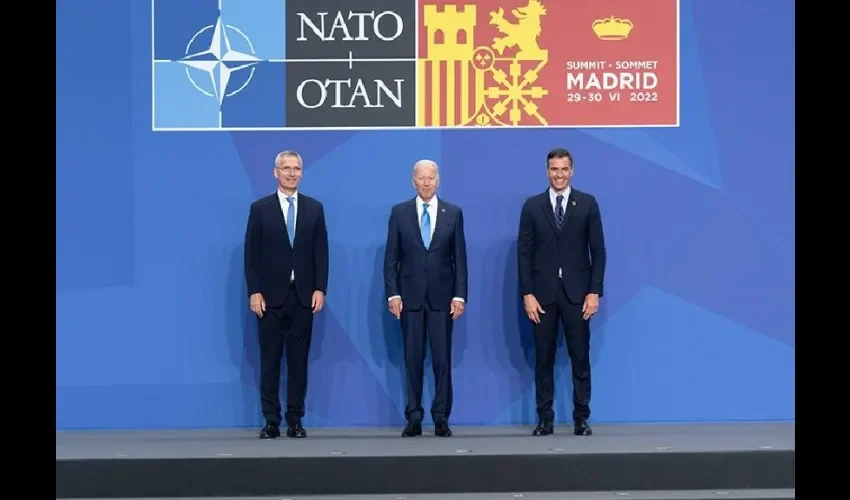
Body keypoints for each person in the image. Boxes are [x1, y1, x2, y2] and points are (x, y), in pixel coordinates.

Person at [517, 147, 606, 437]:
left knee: (580, 358)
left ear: (572, 171)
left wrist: (594, 292)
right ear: (547, 171)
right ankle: (545, 419)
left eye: (564, 169)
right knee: (543, 360)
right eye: (554, 169)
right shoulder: (532, 206)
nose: (559, 174)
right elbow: (524, 254)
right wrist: (527, 294)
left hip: (577, 296)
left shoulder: (588, 204)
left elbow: (599, 252)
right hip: (542, 297)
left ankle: (581, 418)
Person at [244, 150, 329, 439]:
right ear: (275, 172)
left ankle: (295, 420)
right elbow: (251, 255)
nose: (292, 173)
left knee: (298, 362)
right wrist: (254, 291)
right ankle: (271, 420)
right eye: (286, 168)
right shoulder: (260, 208)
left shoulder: (314, 209)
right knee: (269, 361)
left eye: (297, 168)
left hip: (303, 297)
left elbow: (321, 252)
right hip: (268, 298)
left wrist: (320, 288)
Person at [383, 159, 468, 438]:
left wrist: (459, 296)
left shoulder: (453, 213)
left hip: (443, 301)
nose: (427, 182)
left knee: (442, 360)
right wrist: (393, 293)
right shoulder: (399, 213)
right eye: (422, 178)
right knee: (413, 360)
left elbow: (460, 260)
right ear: (413, 181)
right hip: (409, 300)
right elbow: (391, 259)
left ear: (438, 180)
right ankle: (414, 417)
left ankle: (441, 417)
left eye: (431, 177)